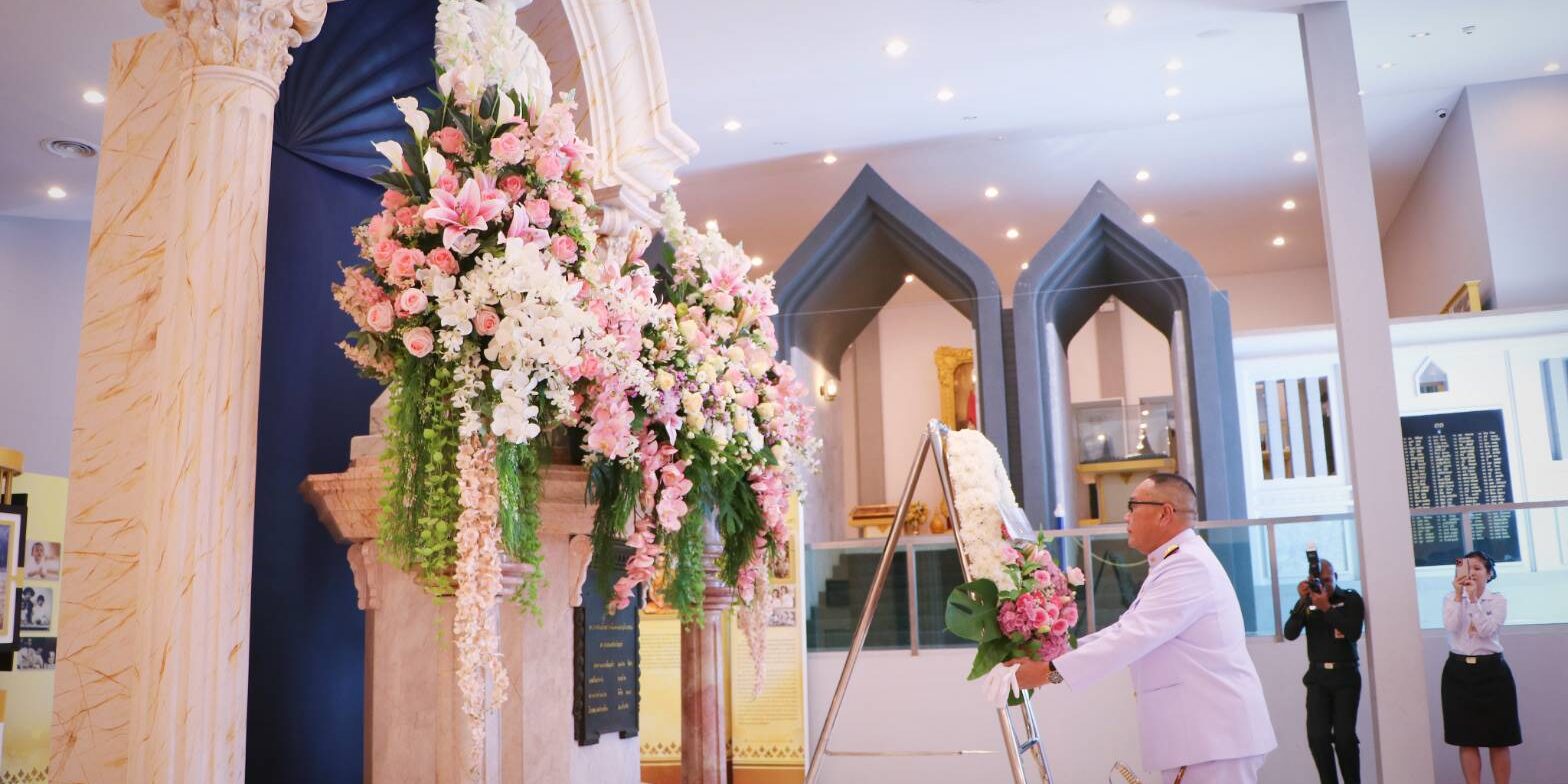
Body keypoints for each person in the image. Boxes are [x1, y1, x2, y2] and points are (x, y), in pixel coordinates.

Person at [1012, 473, 1276, 783]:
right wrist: (1053, 656)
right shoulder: (1174, 561)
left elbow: (1131, 639)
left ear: (1165, 513)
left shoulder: (1188, 565)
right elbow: (1124, 630)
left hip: (1212, 739)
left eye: (1133, 506)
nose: (1126, 516)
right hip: (1204, 741)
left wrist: (1048, 672)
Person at [1441, 550, 1520, 784]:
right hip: (1458, 672)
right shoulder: (1451, 598)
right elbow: (1451, 626)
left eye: (1477, 568)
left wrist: (1474, 600)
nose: (1472, 573)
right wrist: (1460, 595)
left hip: (1492, 672)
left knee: (1499, 738)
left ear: (1489, 573)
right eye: (1467, 568)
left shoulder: (1497, 600)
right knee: (1466, 738)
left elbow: (1487, 630)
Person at [1283, 558, 1364, 783]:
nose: (1324, 585)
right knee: (1317, 737)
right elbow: (1290, 633)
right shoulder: (1307, 603)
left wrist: (1326, 608)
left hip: (1345, 676)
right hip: (1318, 678)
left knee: (1344, 738)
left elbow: (1353, 632)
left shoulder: (1350, 599)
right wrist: (1302, 602)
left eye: (1328, 580)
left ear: (1336, 577)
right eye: (1319, 581)